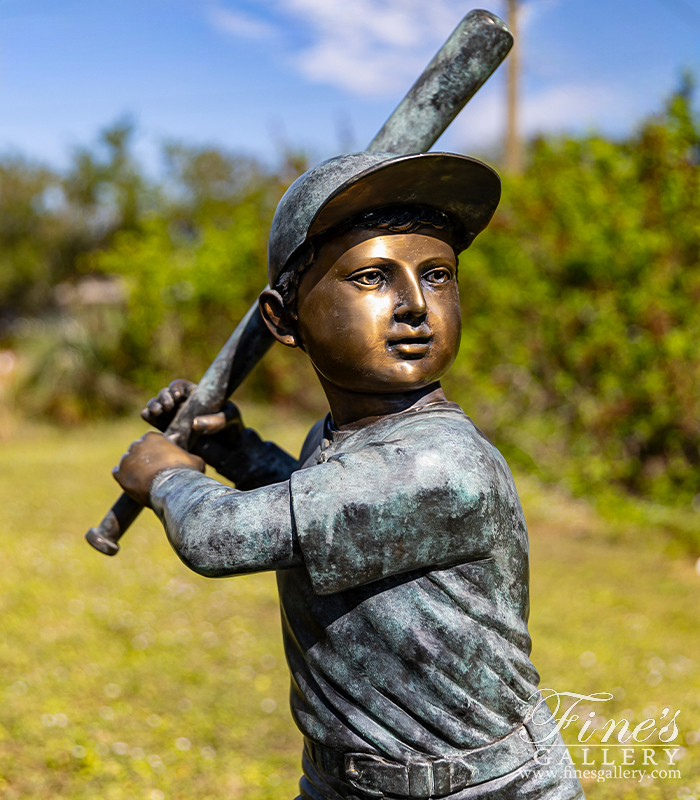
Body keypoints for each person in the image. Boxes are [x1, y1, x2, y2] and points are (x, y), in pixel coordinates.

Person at [113, 151, 585, 799]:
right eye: (371, 277)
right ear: (283, 319)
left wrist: (164, 477)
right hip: (349, 781)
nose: (416, 303)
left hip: (476, 789)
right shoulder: (342, 441)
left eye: (439, 274)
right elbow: (316, 509)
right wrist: (236, 450)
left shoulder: (438, 462)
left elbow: (220, 536)